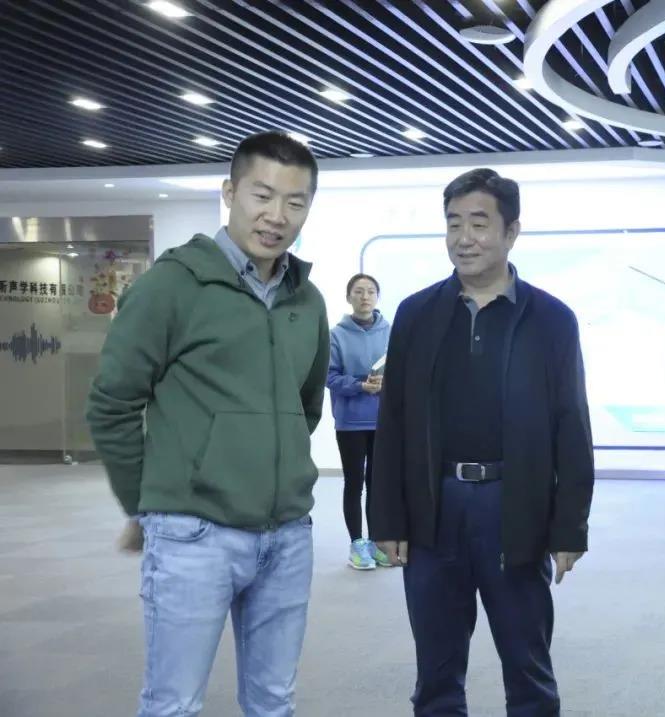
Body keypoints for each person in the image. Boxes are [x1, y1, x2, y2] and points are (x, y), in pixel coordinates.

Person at [86, 131, 329, 717]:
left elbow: (305, 407)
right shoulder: (172, 285)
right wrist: (146, 504)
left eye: (295, 202)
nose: (277, 216)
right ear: (229, 192)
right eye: (262, 196)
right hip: (193, 535)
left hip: (287, 535)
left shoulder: (307, 300)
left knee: (274, 701)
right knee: (174, 704)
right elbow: (112, 404)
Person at [369, 168, 595, 716]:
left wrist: (570, 526)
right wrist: (387, 520)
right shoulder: (417, 314)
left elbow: (572, 425)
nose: (464, 238)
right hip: (434, 508)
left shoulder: (551, 319)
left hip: (513, 507)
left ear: (511, 232)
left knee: (528, 666)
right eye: (453, 224)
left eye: (478, 223)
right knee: (437, 672)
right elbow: (393, 421)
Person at [327, 272, 392, 570]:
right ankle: (357, 544)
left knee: (378, 484)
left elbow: (404, 371)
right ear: (348, 297)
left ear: (377, 297)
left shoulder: (391, 332)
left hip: (384, 420)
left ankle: (377, 542)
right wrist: (359, 386)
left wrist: (387, 383)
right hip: (351, 422)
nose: (365, 296)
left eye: (370, 291)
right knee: (354, 483)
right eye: (358, 291)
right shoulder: (336, 335)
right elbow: (329, 376)